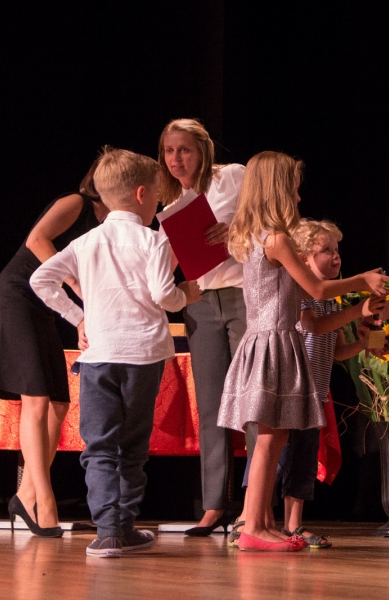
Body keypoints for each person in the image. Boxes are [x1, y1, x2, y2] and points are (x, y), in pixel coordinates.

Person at [30, 147, 202, 557]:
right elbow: (165, 295)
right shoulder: (153, 241)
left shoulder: (86, 241)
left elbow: (41, 279)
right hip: (143, 355)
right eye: (159, 196)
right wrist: (186, 294)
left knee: (100, 444)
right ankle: (120, 527)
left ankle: (109, 530)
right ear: (142, 194)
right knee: (132, 444)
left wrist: (78, 317)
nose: (159, 203)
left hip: (100, 355)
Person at [216, 151, 388, 552]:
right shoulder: (275, 239)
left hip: (274, 340)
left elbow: (313, 309)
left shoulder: (263, 236)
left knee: (274, 440)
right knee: (269, 440)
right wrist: (361, 280)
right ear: (277, 188)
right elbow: (317, 290)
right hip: (273, 340)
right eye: (293, 186)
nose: (297, 195)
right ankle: (252, 528)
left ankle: (258, 522)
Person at [0, 156, 109, 537]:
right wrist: (75, 287)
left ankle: (26, 493)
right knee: (37, 400)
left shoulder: (111, 222)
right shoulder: (76, 202)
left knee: (59, 403)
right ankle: (44, 501)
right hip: (19, 295)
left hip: (47, 305)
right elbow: (37, 240)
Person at [157, 118, 248, 536]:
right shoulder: (170, 202)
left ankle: (254, 503)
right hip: (199, 302)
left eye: (184, 150)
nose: (176, 159)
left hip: (243, 293)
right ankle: (214, 504)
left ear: (203, 149)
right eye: (169, 151)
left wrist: (236, 232)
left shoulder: (233, 176)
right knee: (211, 404)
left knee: (253, 398)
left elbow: (272, 223)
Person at [278, 218, 385, 549]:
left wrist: (365, 343)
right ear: (303, 258)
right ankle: (251, 522)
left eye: (337, 250)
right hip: (289, 390)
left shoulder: (333, 301)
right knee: (276, 457)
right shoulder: (299, 293)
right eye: (326, 250)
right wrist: (358, 309)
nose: (336, 257)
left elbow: (338, 352)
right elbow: (314, 328)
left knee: (305, 459)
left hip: (314, 394)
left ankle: (293, 525)